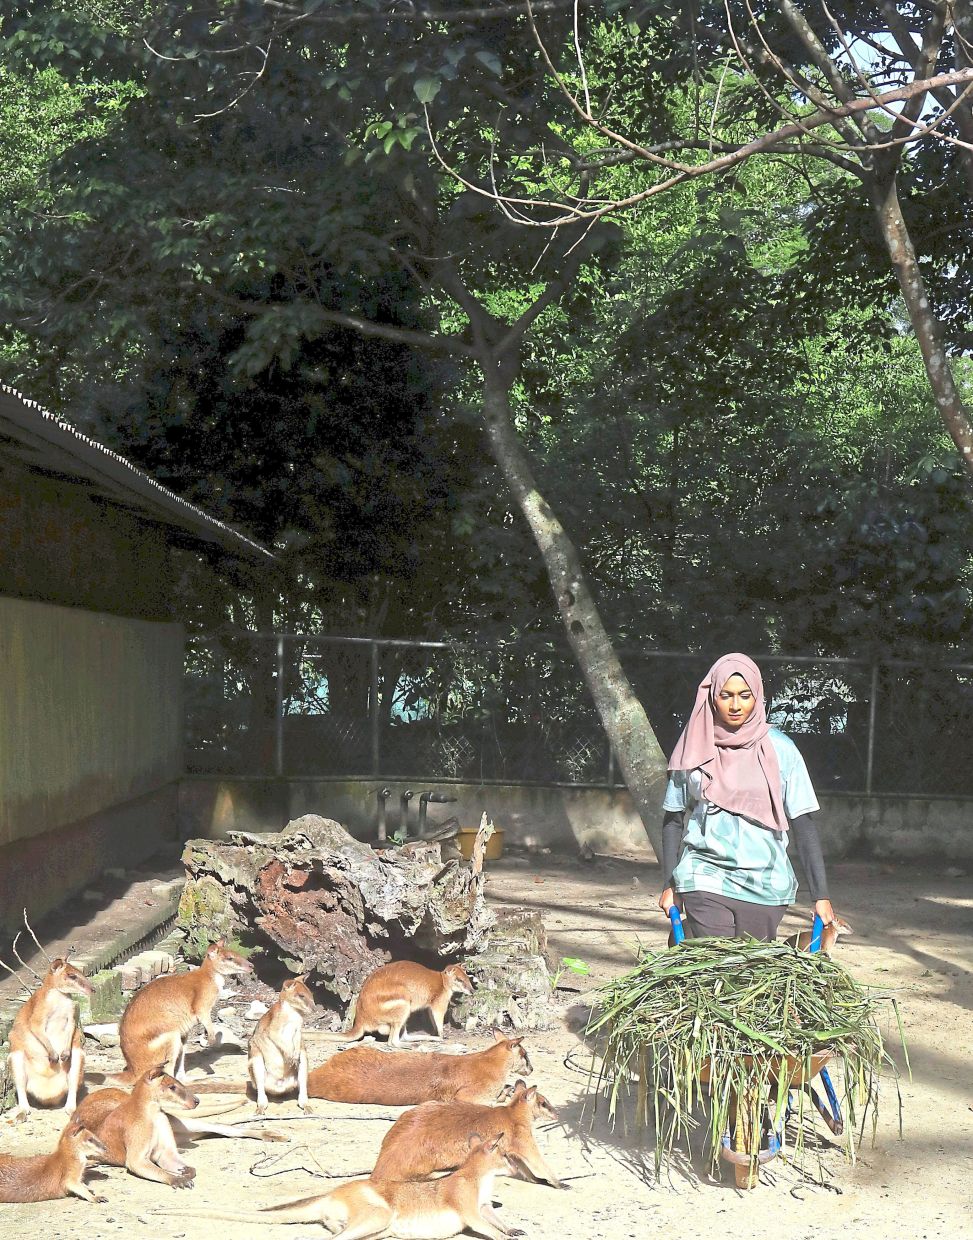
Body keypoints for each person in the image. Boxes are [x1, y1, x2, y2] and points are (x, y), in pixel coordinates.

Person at [658, 652, 837, 941]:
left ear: (758, 697)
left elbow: (804, 824)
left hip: (766, 882)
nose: (735, 705)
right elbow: (673, 818)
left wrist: (821, 895)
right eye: (726, 695)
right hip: (704, 874)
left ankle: (686, 942)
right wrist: (669, 885)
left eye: (744, 695)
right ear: (712, 697)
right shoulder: (693, 747)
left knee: (750, 969)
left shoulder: (782, 750)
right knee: (719, 960)